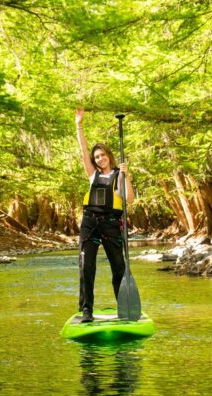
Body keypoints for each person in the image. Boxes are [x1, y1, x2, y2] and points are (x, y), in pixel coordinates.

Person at [75, 108, 135, 323]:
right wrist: (79, 125)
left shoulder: (119, 175)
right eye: (96, 157)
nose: (100, 159)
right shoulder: (93, 175)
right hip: (90, 224)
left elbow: (129, 199)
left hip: (111, 224)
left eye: (102, 155)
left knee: (118, 266)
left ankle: (124, 307)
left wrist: (126, 176)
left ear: (109, 156)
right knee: (86, 266)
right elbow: (83, 150)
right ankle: (86, 310)